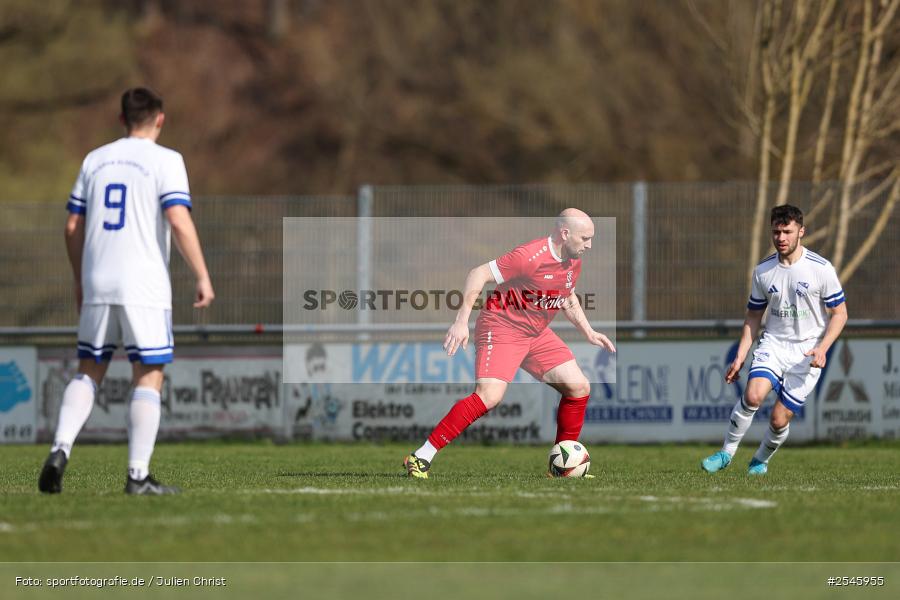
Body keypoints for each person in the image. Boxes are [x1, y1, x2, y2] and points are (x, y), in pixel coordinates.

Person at [38, 87, 215, 495]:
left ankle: (60, 448)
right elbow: (177, 216)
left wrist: (80, 279)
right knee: (148, 374)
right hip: (143, 284)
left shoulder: (95, 160)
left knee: (89, 370)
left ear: (121, 120)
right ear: (159, 119)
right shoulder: (167, 160)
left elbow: (71, 226)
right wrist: (202, 274)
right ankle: (137, 476)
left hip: (98, 278)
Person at [403, 208, 616, 478]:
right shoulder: (530, 256)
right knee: (489, 397)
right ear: (565, 233)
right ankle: (421, 456)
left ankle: (563, 467)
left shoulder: (573, 261)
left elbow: (567, 296)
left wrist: (588, 331)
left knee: (578, 387)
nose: (589, 245)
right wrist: (461, 321)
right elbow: (478, 273)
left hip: (536, 333)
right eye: (585, 238)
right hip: (501, 328)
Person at [702, 204, 847, 475]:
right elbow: (754, 316)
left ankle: (760, 460)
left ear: (801, 232)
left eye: (787, 232)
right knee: (753, 395)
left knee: (779, 419)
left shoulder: (821, 269)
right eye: (776, 232)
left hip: (808, 352)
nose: (781, 237)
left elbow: (839, 314)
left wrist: (823, 348)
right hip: (774, 344)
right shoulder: (763, 271)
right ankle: (726, 453)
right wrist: (741, 355)